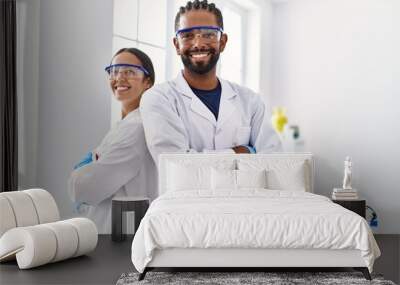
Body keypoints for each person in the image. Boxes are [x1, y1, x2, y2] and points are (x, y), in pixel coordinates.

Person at [140, 0, 280, 164]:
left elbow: (274, 161)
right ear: (177, 45)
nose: (198, 44)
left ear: (222, 42)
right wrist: (244, 151)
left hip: (246, 191)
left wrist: (202, 158)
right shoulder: (158, 98)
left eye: (208, 34)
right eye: (187, 36)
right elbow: (176, 166)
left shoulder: (251, 101)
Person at [68, 48, 157, 234]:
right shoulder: (125, 124)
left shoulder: (136, 128)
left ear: (147, 82)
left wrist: (81, 171)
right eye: (114, 71)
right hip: (109, 228)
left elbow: (84, 187)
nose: (119, 78)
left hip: (119, 233)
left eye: (129, 71)